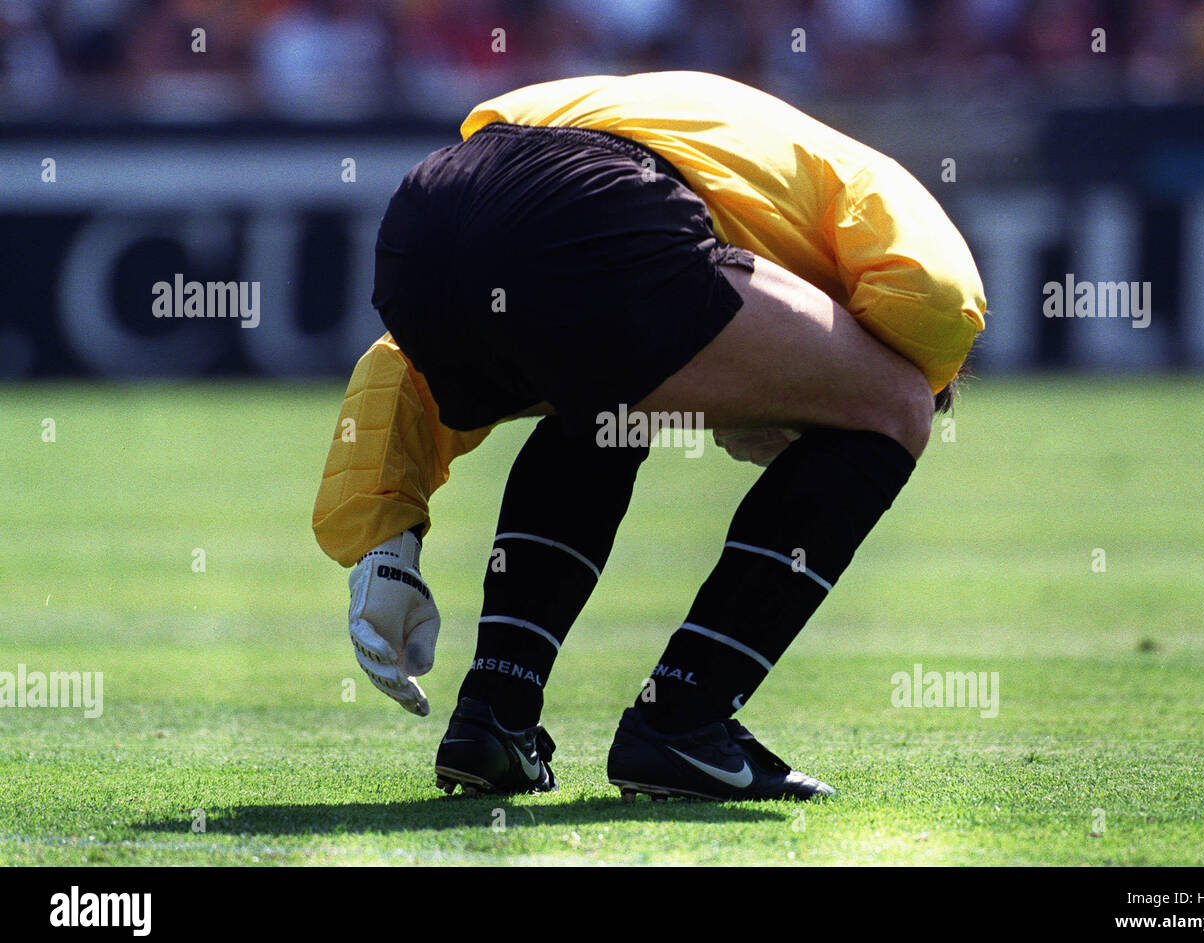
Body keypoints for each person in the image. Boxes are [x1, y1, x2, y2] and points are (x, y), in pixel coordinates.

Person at [313, 71, 986, 802]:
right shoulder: (878, 201)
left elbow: (400, 367)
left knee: (610, 401)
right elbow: (938, 300)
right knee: (894, 406)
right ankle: (684, 722)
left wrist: (386, 540)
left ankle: (493, 718)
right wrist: (893, 380)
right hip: (598, 204)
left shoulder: (763, 168)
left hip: (428, 215)